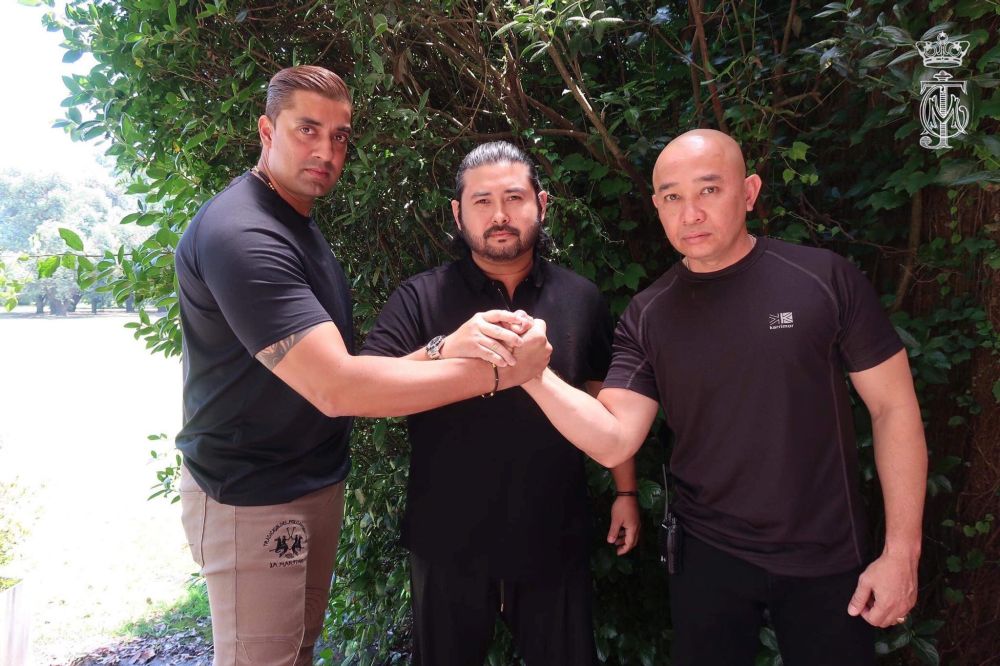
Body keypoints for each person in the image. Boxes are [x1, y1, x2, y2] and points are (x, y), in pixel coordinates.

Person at [174, 68, 550, 666]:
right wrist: (505, 371)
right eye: (307, 130)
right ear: (266, 131)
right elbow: (336, 388)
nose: (325, 151)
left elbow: (344, 370)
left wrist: (443, 348)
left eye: (341, 136)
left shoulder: (294, 222)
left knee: (296, 652)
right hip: (252, 495)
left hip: (311, 479)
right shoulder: (243, 235)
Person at [521, 129, 927, 665]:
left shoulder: (823, 280)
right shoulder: (649, 314)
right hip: (707, 555)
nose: (690, 213)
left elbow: (893, 408)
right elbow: (613, 439)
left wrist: (902, 553)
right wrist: (534, 376)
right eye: (672, 197)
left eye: (709, 190)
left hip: (825, 551)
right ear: (657, 207)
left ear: (750, 191)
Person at [361, 141, 640, 665]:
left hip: (553, 531)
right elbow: (368, 390)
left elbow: (606, 400)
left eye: (514, 198)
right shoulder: (421, 298)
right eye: (482, 201)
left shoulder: (581, 298)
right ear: (457, 213)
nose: (500, 215)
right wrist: (446, 349)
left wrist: (625, 489)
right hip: (448, 539)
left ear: (542, 203)